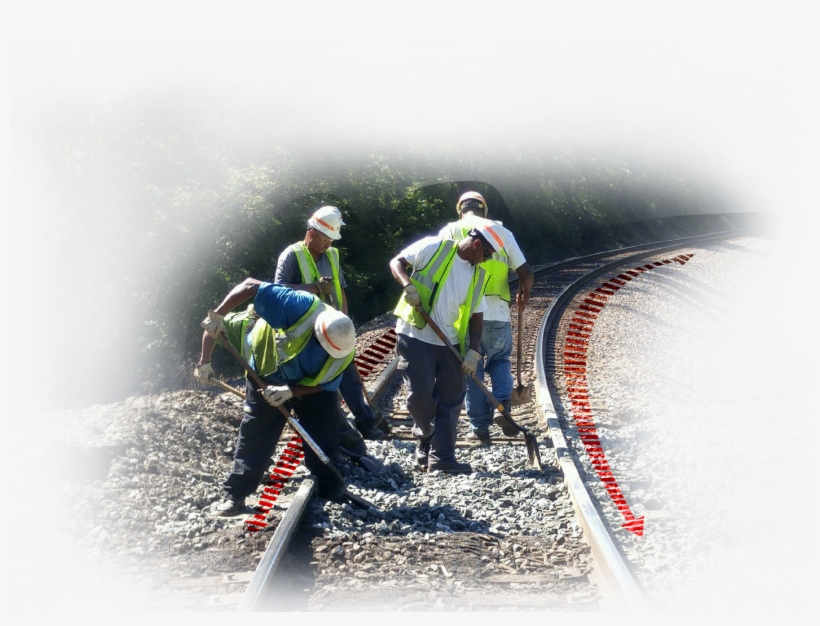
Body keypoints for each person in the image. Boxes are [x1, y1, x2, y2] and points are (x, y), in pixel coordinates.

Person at [194, 278, 356, 515]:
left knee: (324, 431)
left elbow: (327, 385)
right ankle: (236, 494)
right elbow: (250, 284)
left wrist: (291, 391)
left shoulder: (344, 348)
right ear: (317, 333)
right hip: (265, 373)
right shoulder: (296, 305)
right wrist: (216, 319)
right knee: (255, 434)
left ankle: (330, 487)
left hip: (308, 387)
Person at [389, 224, 501, 473]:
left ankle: (443, 459)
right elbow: (397, 262)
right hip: (415, 335)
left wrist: (473, 351)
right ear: (476, 244)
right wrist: (408, 286)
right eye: (488, 253)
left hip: (449, 342)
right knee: (420, 397)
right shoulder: (434, 247)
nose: (487, 259)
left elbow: (476, 315)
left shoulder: (478, 275)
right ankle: (425, 434)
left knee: (451, 399)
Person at [275, 205, 386, 441]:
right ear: (312, 232)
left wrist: (345, 322)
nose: (330, 244)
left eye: (333, 239)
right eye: (327, 238)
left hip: (334, 330)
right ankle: (333, 430)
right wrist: (313, 288)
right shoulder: (292, 255)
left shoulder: (333, 256)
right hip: (306, 336)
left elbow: (340, 291)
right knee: (322, 385)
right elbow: (277, 292)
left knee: (349, 377)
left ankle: (365, 423)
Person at [439, 191, 534, 445]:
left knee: (473, 369)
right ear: (485, 211)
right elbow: (526, 273)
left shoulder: (450, 231)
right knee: (500, 359)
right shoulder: (501, 232)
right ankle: (503, 406)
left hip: (466, 313)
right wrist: (524, 296)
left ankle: (479, 428)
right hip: (499, 311)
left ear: (461, 210)